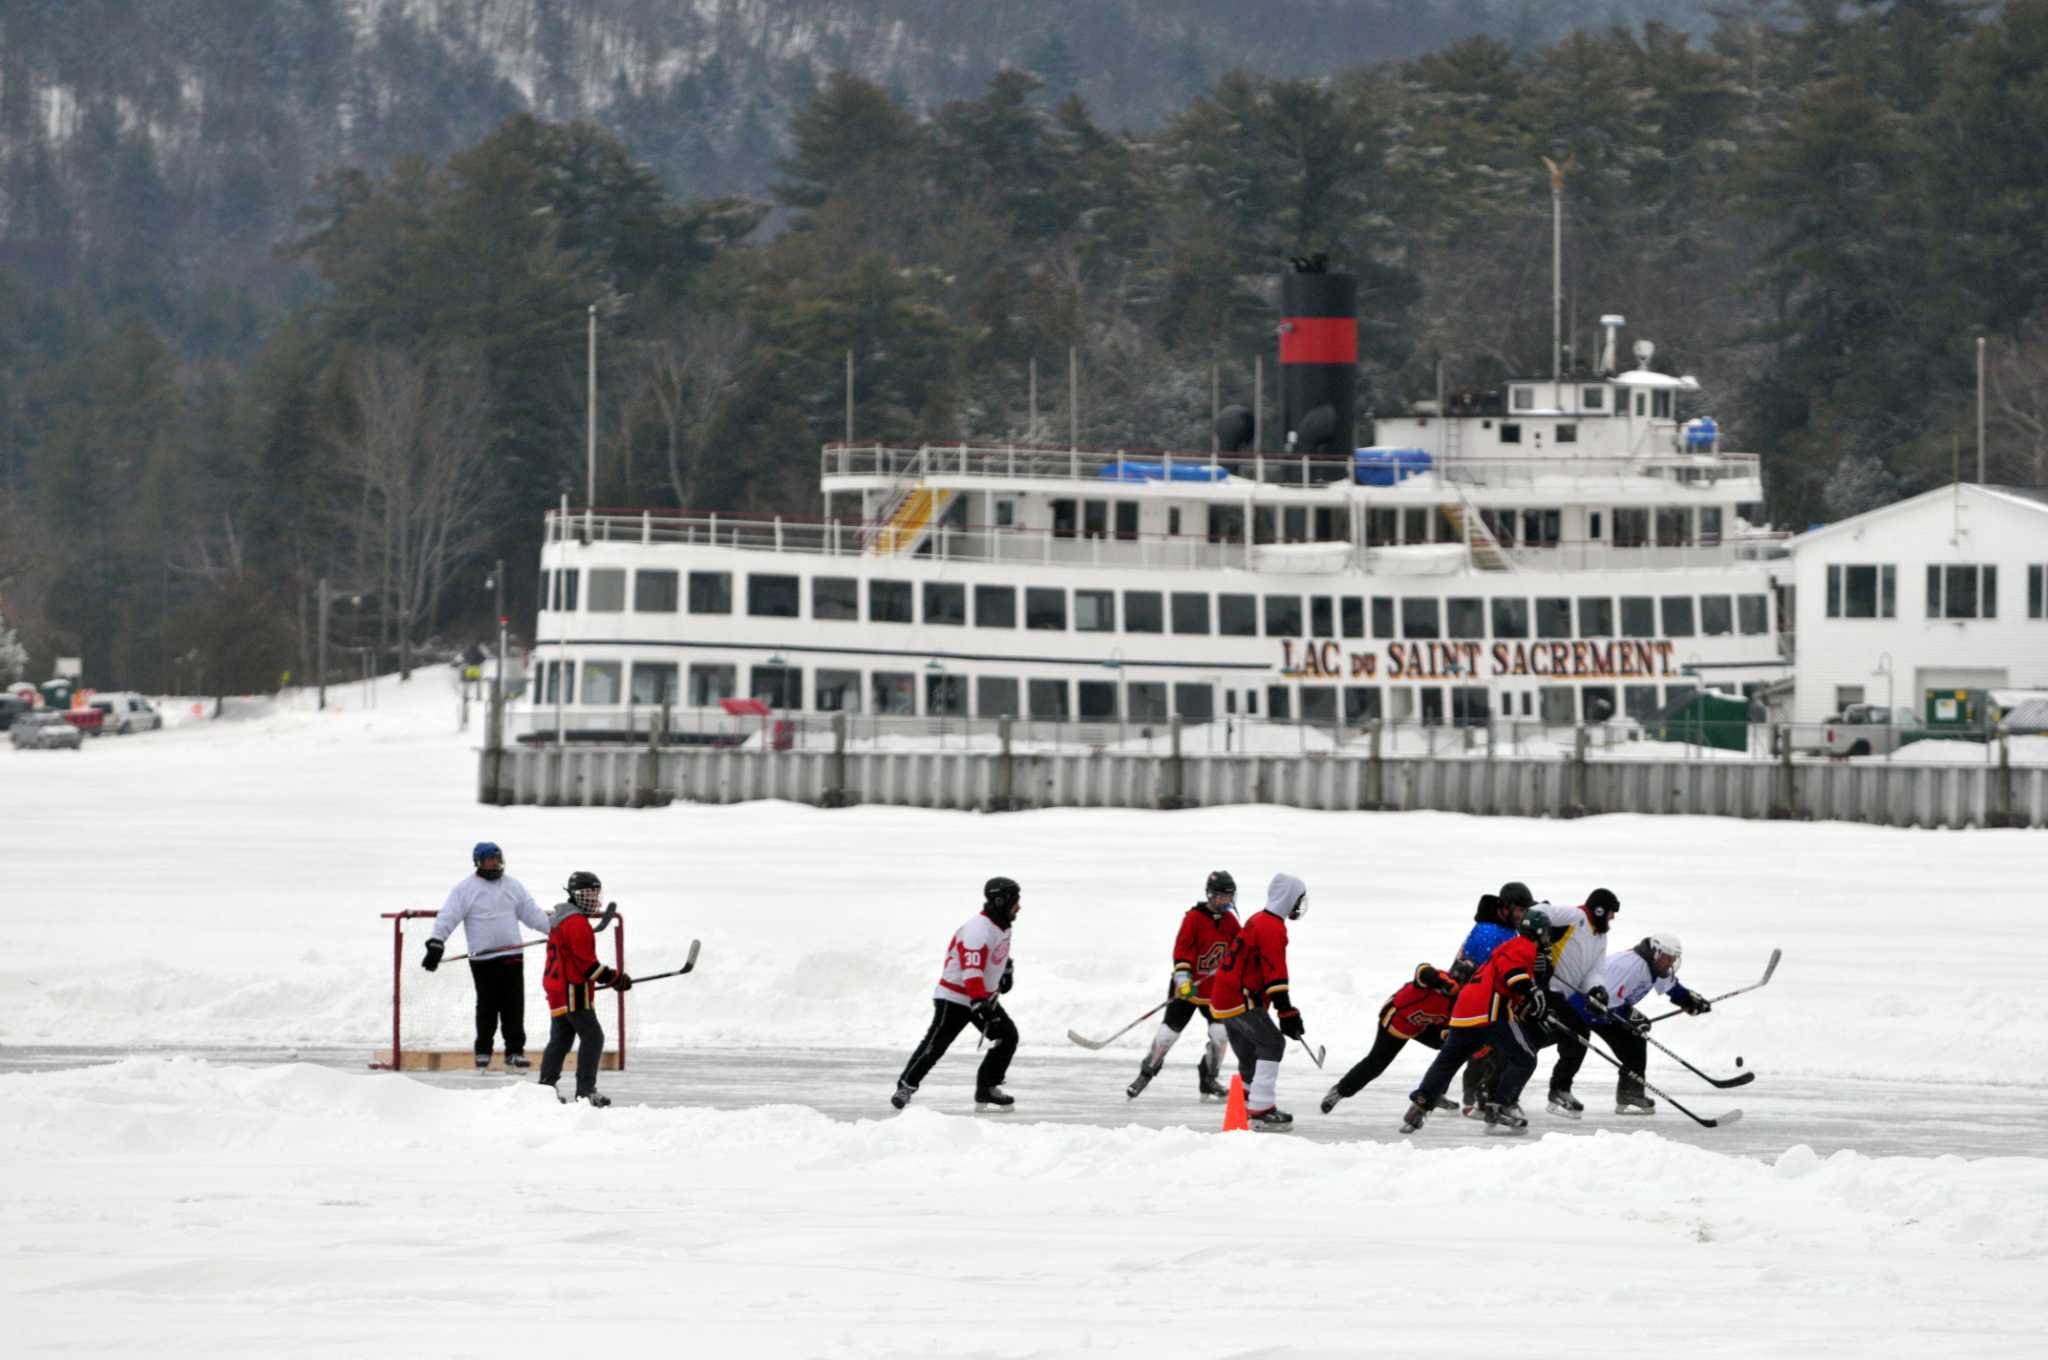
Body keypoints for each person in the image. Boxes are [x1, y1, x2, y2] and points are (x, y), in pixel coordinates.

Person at [1401, 907, 1556, 1136]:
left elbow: (1507, 980)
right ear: (1539, 931)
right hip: (1488, 1011)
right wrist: (1533, 992)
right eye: (1546, 934)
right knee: (1525, 1058)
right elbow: (1512, 975)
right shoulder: (1524, 945)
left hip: (1465, 1010)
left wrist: (1532, 993)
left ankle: (1420, 1105)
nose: (1547, 939)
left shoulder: (1507, 946)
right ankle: (1500, 1106)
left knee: (1449, 1060)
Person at [893, 877, 1021, 1112]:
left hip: (982, 997)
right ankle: (905, 1086)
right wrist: (980, 1002)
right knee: (936, 1045)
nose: (1019, 907)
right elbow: (971, 969)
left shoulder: (1003, 925)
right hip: (955, 998)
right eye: (1015, 901)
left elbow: (994, 955)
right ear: (1001, 901)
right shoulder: (977, 930)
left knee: (1007, 1036)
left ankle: (987, 1088)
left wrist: (1006, 968)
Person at [423, 841, 550, 1070]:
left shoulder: (513, 886)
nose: (493, 864)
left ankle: (514, 1051)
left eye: (496, 859)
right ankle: (483, 1051)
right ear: (478, 863)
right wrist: (436, 942)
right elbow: (448, 916)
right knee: (487, 1005)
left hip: (512, 954)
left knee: (514, 1004)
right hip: (482, 959)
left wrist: (556, 931)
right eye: (488, 861)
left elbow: (532, 914)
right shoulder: (465, 889)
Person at [1127, 870, 1240, 1101]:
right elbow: (1182, 951)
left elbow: (1240, 949)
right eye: (1219, 896)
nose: (1224, 901)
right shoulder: (1193, 918)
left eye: (1228, 896)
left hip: (1214, 991)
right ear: (1209, 894)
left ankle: (1208, 1078)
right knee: (1168, 1034)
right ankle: (1146, 1072)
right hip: (1189, 989)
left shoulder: (1230, 922)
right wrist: (1183, 980)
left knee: (1221, 1033)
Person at [1208, 872, 1308, 1132]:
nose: (1298, 905)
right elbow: (1276, 975)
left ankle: (1246, 1103)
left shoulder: (1258, 919)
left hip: (1223, 997)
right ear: (1288, 898)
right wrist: (1286, 1012)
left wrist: (1285, 1010)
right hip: (1237, 999)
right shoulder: (1272, 927)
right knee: (1272, 1042)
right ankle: (1261, 1110)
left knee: (1251, 1053)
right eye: (1297, 899)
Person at [1568, 933, 1708, 1115]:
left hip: (1605, 1014)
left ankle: (1630, 1095)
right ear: (1657, 952)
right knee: (1550, 1044)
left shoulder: (1656, 967)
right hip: (1579, 1008)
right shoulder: (1628, 966)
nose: (1670, 963)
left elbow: (1672, 988)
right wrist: (1631, 1016)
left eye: (1673, 959)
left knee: (1635, 1040)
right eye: (1668, 958)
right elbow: (1602, 1002)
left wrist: (1689, 1000)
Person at [1319, 960, 1467, 1114]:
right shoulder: (1435, 983)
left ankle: (1436, 1093)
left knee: (1453, 1050)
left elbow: (1452, 1024)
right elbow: (1422, 970)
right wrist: (1439, 981)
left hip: (1422, 1024)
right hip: (1396, 1020)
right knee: (1375, 1064)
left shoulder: (1461, 1000)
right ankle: (1339, 1091)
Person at [538, 870, 631, 1105]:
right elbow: (588, 967)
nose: (593, 898)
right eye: (587, 893)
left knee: (561, 1039)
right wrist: (615, 978)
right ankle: (586, 1091)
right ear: (573, 895)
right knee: (593, 1037)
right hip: (572, 990)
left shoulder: (562, 918)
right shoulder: (577, 923)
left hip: (557, 988)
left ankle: (545, 1089)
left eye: (595, 892)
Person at [1452, 882, 1535, 1116]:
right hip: (1476, 1001)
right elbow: (1495, 972)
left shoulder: (1503, 927)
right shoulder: (1491, 932)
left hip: (1480, 1000)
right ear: (1505, 908)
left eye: (1525, 911)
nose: (1522, 916)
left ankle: (1477, 1095)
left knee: (1491, 1046)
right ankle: (1480, 1098)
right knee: (1492, 1046)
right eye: (1519, 910)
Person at [1535, 888, 1619, 1118]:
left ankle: (1560, 1089)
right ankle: (1496, 1091)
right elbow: (1540, 911)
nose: (1612, 918)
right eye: (1611, 913)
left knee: (1576, 1034)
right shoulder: (1573, 916)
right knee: (1569, 1033)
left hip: (1562, 996)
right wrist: (1541, 950)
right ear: (1599, 910)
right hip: (1544, 989)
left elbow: (1595, 971)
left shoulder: (1601, 937)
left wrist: (1596, 990)